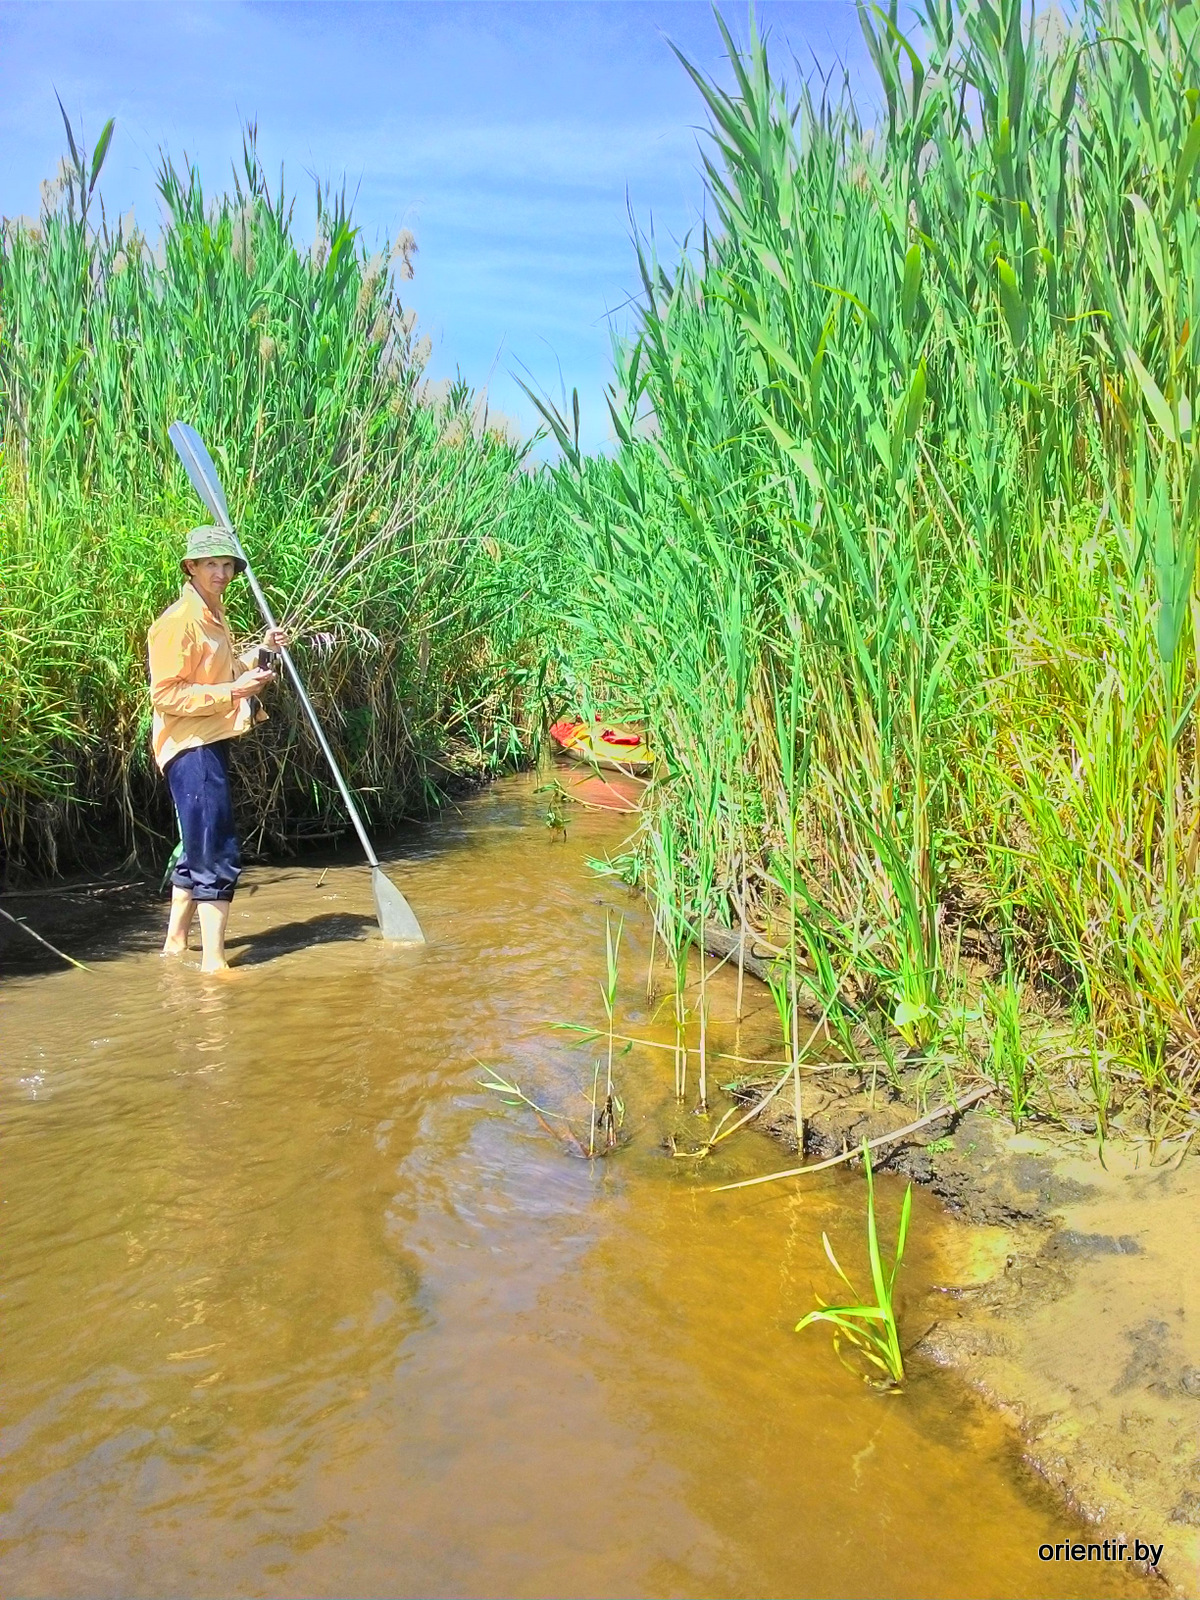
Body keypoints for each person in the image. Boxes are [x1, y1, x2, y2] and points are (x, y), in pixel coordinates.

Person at [148, 527, 287, 972]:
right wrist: (233, 692)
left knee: (196, 845)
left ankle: (175, 944)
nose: (222, 573)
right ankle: (214, 966)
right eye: (211, 564)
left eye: (227, 565)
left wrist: (262, 653)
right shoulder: (178, 622)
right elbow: (165, 695)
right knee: (217, 850)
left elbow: (226, 670)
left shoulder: (213, 614)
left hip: (209, 740)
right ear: (191, 567)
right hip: (190, 746)